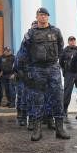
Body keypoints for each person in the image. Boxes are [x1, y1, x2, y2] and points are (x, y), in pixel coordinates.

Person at [17, 8, 70, 141]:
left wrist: (56, 62)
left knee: (58, 97)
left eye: (45, 15)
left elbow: (60, 47)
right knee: (37, 99)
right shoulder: (30, 34)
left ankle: (60, 129)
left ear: (48, 17)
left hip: (53, 68)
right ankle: (37, 130)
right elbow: (23, 52)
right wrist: (24, 70)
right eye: (41, 15)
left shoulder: (56, 31)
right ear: (37, 17)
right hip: (37, 69)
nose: (43, 17)